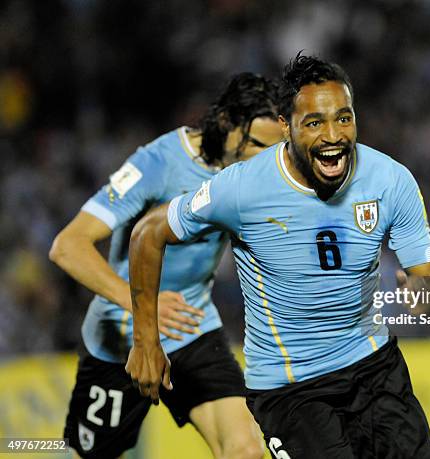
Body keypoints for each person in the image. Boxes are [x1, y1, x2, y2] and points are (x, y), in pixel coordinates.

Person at [127, 54, 430, 458]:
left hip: (376, 370)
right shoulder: (242, 189)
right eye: (314, 123)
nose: (333, 135)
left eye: (344, 119)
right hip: (293, 390)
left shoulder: (390, 180)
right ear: (285, 128)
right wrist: (145, 341)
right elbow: (147, 234)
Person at [49, 72, 283, 459]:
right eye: (257, 144)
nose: (265, 159)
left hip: (191, 324)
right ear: (225, 123)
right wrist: (143, 304)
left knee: (245, 450)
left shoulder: (253, 173)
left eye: (273, 148)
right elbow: (67, 246)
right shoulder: (156, 162)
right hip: (122, 334)